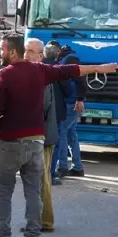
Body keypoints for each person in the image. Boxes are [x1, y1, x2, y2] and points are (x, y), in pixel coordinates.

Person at [0, 34, 118, 237]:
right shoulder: (40, 71)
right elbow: (70, 71)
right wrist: (100, 68)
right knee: (33, 193)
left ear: (13, 52)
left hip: (9, 144)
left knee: (3, 194)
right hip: (35, 143)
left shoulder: (4, 74)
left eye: (2, 49)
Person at [24, 38, 60, 233]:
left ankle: (45, 221)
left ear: (40, 56)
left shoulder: (41, 75)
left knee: (42, 180)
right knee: (36, 179)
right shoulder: (36, 73)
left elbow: (41, 107)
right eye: (25, 51)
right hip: (39, 135)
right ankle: (38, 220)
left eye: (31, 52)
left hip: (42, 136)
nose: (26, 55)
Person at [55, 45, 88, 177]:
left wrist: (79, 99)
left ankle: (62, 167)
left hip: (71, 102)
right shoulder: (67, 59)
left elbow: (80, 79)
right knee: (70, 134)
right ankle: (77, 167)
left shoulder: (70, 59)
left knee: (62, 132)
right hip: (72, 101)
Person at [43, 44, 68, 185]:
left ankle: (40, 174)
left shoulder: (38, 67)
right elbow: (68, 89)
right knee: (55, 143)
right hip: (56, 110)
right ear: (57, 55)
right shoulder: (58, 69)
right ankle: (50, 175)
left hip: (40, 111)